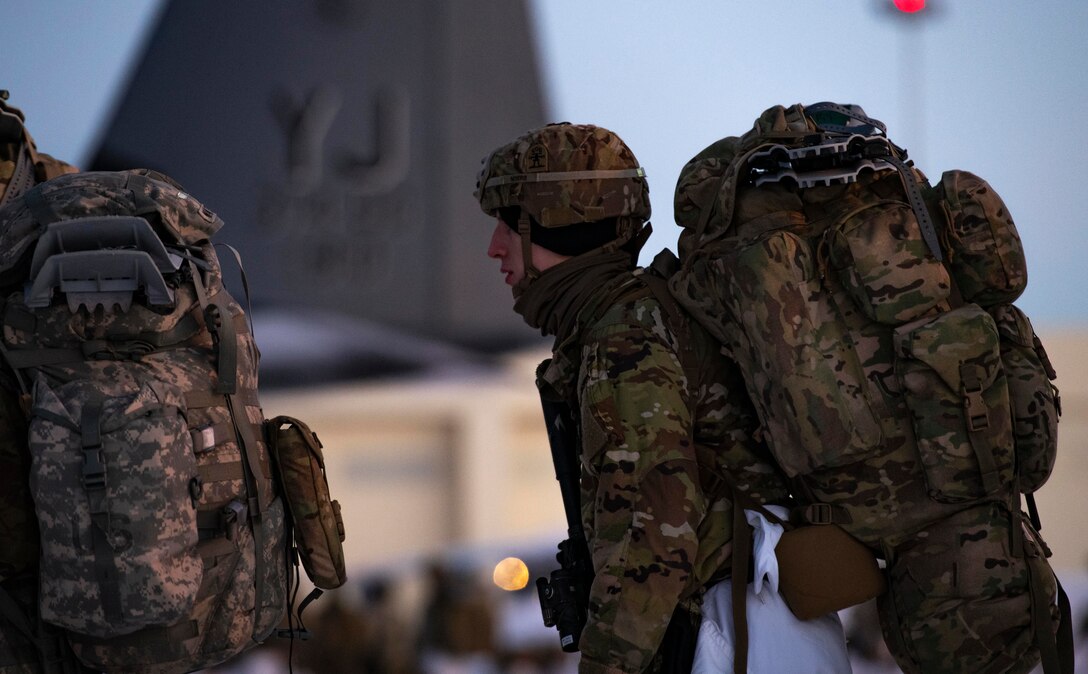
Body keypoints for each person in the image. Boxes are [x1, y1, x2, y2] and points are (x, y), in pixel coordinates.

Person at [474, 122, 826, 673]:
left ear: (559, 225)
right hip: (750, 621)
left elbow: (654, 540)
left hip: (730, 633)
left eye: (509, 224)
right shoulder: (629, 320)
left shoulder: (626, 340)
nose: (495, 248)